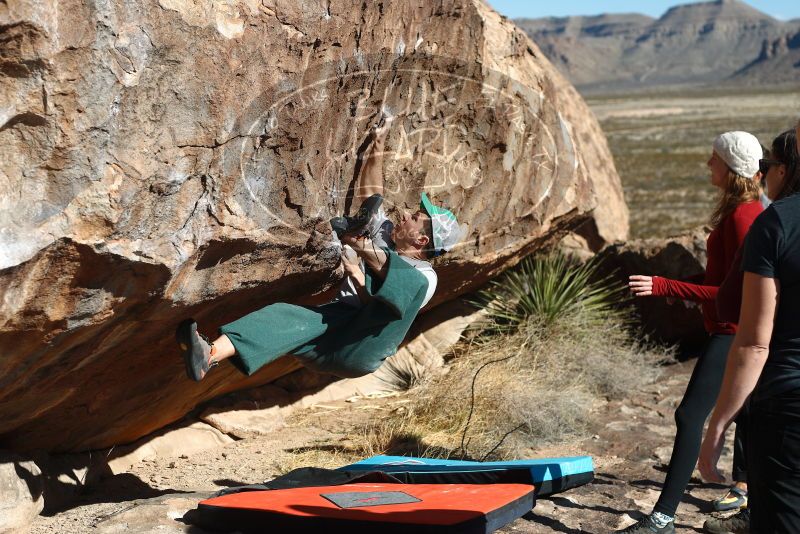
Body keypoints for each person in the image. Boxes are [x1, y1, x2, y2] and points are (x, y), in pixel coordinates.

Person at [176, 114, 465, 381]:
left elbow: (381, 305)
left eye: (415, 218)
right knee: (282, 317)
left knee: (397, 285)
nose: (406, 215)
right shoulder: (387, 237)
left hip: (360, 345)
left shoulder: (425, 278)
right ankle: (209, 355)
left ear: (421, 241)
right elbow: (372, 197)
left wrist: (359, 262)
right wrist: (377, 144)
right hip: (332, 332)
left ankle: (359, 247)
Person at [620, 131, 764, 534]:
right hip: (734, 328)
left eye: (714, 158)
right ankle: (748, 492)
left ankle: (663, 517)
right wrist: (678, 285)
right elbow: (723, 277)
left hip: (733, 333)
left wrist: (667, 287)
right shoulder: (742, 211)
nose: (708, 164)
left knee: (689, 415)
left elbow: (732, 293)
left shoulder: (742, 218)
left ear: (731, 168)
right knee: (749, 415)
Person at [699, 128, 800, 533]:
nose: (765, 175)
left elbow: (755, 342)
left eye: (769, 165)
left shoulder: (774, 223)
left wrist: (719, 422)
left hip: (787, 404)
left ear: (786, 170)